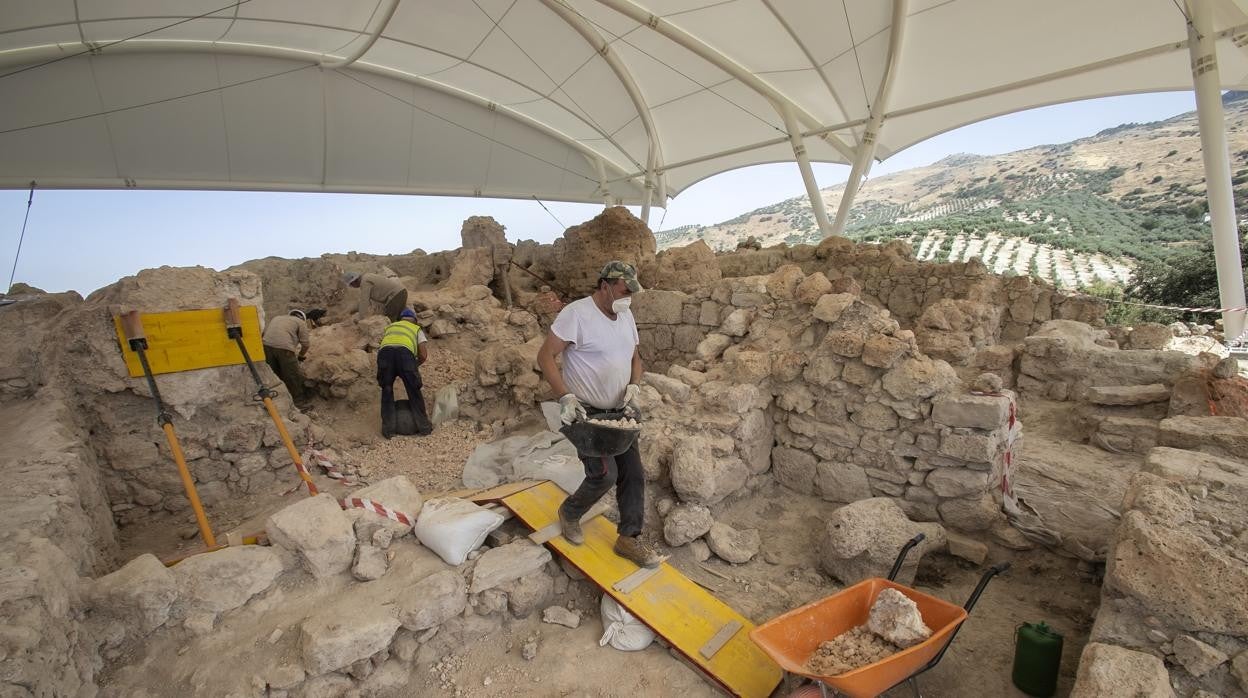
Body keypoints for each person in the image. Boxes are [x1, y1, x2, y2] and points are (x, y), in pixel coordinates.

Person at [536, 261, 661, 568]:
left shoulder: (625, 315)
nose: (628, 296)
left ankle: (629, 538)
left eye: (632, 291)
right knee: (605, 474)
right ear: (605, 285)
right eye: (624, 289)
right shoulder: (577, 315)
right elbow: (545, 356)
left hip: (621, 412)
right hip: (587, 414)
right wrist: (564, 395)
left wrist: (634, 385)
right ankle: (570, 512)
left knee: (633, 473)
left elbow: (635, 358)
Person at [377, 308, 432, 439]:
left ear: (400, 319)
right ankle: (424, 428)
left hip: (384, 355)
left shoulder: (390, 327)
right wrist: (414, 365)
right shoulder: (415, 329)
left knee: (387, 390)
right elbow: (423, 355)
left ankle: (388, 431)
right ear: (414, 321)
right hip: (405, 355)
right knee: (414, 390)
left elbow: (383, 346)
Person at [262, 309, 311, 404]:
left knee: (274, 374)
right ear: (302, 318)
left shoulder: (277, 317)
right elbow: (306, 344)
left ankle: (277, 400)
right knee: (292, 375)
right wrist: (300, 356)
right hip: (284, 348)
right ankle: (299, 402)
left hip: (266, 346)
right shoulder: (301, 322)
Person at [344, 271, 408, 322]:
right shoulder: (368, 276)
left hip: (395, 296)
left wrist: (361, 319)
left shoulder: (365, 282)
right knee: (400, 317)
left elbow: (364, 301)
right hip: (402, 292)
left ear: (354, 282)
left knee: (389, 321)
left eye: (351, 285)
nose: (353, 287)